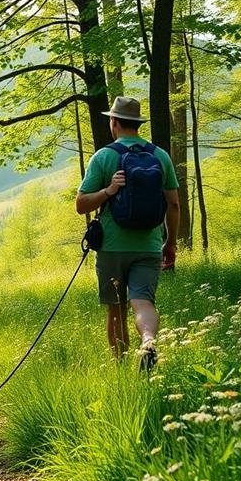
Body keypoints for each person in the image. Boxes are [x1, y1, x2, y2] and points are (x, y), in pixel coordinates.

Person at [75, 96, 180, 366]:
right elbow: (174, 204)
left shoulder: (105, 156)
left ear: (114, 122)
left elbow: (81, 204)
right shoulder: (160, 156)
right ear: (137, 123)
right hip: (149, 246)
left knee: (116, 310)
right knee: (143, 302)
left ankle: (121, 366)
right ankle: (148, 341)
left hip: (112, 247)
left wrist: (109, 191)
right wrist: (170, 243)